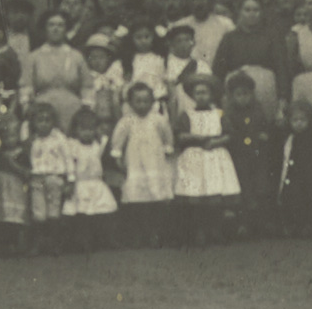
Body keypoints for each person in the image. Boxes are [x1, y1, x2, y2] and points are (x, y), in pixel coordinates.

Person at [172, 71, 240, 246]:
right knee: (196, 195)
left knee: (215, 194)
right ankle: (199, 230)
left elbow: (229, 135)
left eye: (204, 92)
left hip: (215, 156)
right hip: (194, 157)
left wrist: (216, 142)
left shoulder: (219, 114)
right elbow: (180, 136)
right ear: (192, 96)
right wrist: (198, 138)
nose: (201, 96)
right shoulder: (187, 115)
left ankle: (214, 229)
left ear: (211, 95)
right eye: (197, 93)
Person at [108, 82, 175, 246]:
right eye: (138, 101)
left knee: (156, 198)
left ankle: (155, 233)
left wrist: (168, 148)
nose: (142, 105)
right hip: (135, 163)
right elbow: (117, 140)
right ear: (130, 103)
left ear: (152, 102)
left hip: (155, 162)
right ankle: (138, 234)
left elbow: (167, 135)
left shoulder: (158, 119)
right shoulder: (127, 121)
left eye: (146, 101)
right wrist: (117, 157)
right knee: (137, 200)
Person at [211, 0, 291, 126]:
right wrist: (216, 99)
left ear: (262, 12)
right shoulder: (230, 38)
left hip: (265, 88)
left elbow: (281, 68)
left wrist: (283, 98)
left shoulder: (272, 36)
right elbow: (218, 70)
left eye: (256, 10)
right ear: (240, 12)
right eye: (247, 10)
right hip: (235, 90)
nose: (252, 14)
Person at [22, 11, 93, 130]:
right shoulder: (34, 57)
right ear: (44, 28)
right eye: (51, 25)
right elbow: (26, 85)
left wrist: (86, 108)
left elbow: (87, 86)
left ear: (66, 29)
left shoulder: (76, 56)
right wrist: (27, 107)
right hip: (43, 113)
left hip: (72, 111)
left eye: (60, 25)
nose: (56, 29)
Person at [222, 71, 273, 236]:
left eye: (246, 94)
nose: (243, 98)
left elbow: (263, 126)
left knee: (260, 186)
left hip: (257, 155)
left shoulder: (257, 109)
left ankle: (260, 223)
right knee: (244, 187)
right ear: (232, 96)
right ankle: (243, 224)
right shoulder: (230, 113)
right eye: (238, 94)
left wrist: (263, 134)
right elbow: (229, 131)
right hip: (239, 155)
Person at [63, 106, 118, 248]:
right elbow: (70, 164)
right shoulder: (73, 146)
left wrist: (100, 134)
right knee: (83, 213)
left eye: (91, 129)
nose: (87, 133)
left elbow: (105, 143)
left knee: (101, 210)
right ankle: (83, 240)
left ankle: (103, 240)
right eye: (83, 129)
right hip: (81, 183)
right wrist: (70, 181)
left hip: (96, 183)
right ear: (76, 130)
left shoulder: (97, 145)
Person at [26, 100, 75, 255]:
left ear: (53, 122)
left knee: (54, 211)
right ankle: (39, 243)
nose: (44, 124)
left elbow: (68, 158)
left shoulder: (59, 138)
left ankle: (55, 244)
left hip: (55, 177)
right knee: (39, 212)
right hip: (37, 178)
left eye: (48, 120)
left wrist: (70, 179)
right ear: (34, 122)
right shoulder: (32, 140)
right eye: (40, 120)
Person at [276, 99, 312, 237]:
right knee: (291, 198)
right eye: (295, 120)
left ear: (309, 120)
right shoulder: (289, 137)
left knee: (308, 198)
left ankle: (307, 226)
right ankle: (292, 225)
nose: (299, 123)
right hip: (292, 175)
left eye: (302, 120)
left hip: (308, 176)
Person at [0, 112, 32, 253]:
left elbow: (26, 172)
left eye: (13, 136)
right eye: (6, 137)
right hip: (4, 188)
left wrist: (13, 165)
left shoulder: (21, 153)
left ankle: (20, 243)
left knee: (18, 216)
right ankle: (7, 244)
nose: (9, 140)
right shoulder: (1, 153)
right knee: (5, 216)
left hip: (17, 188)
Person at [119, 19, 169, 107]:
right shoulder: (129, 60)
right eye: (138, 37)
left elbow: (163, 80)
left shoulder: (159, 58)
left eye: (147, 37)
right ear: (132, 39)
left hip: (156, 99)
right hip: (134, 102)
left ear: (153, 37)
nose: (143, 41)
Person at [182, 0, 235, 70]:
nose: (199, 3)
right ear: (188, 2)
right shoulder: (180, 25)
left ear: (211, 2)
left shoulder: (226, 24)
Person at [80, 33, 125, 128]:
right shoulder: (88, 77)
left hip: (112, 116)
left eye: (101, 57)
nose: (97, 61)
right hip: (94, 115)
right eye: (93, 57)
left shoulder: (113, 75)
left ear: (108, 58)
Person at [162, 20, 201, 123]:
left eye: (187, 40)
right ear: (171, 44)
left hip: (194, 109)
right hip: (171, 110)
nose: (184, 44)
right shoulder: (165, 64)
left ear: (193, 42)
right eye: (179, 41)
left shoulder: (200, 65)